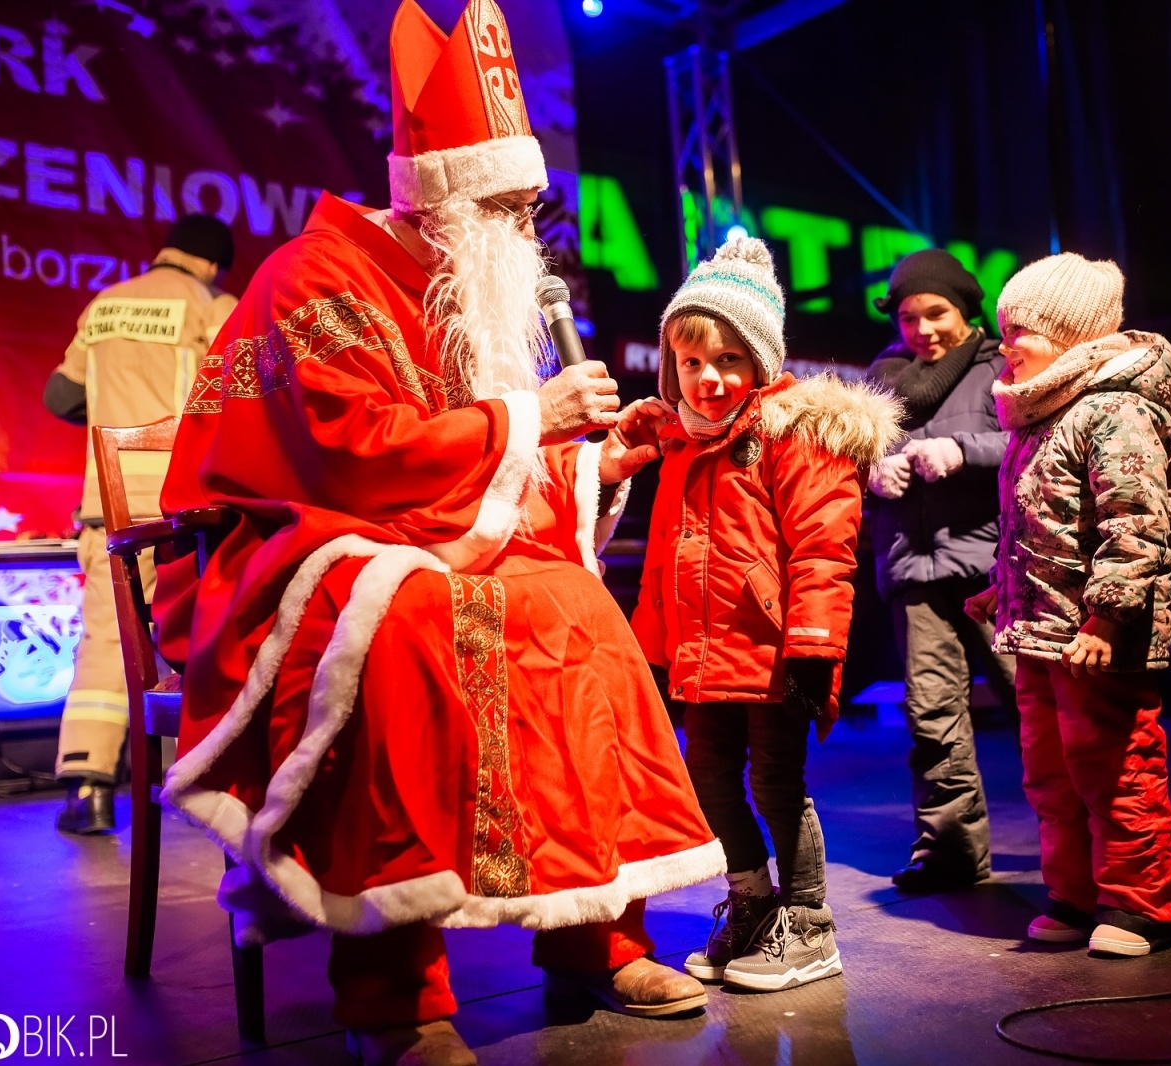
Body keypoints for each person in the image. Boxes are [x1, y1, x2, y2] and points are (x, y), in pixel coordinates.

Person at [151, 3, 724, 1063]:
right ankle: (394, 987)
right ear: (446, 199)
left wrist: (591, 459)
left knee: (575, 609)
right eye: (505, 208)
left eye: (527, 207)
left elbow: (488, 470)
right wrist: (526, 418)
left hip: (432, 532)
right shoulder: (311, 275)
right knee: (409, 629)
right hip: (305, 535)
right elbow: (349, 447)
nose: (524, 231)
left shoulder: (467, 294)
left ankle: (596, 930)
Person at [630, 236, 902, 992]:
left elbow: (823, 550)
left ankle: (810, 925)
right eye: (691, 363)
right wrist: (652, 653)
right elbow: (665, 565)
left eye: (726, 361)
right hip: (700, 656)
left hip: (772, 652)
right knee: (709, 777)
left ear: (760, 360)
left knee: (776, 782)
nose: (708, 379)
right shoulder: (684, 446)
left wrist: (815, 646)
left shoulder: (794, 434)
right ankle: (751, 900)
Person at [964, 252, 1171, 957]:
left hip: (1098, 636)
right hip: (1043, 631)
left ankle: (1142, 906)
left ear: (1073, 337)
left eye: (1021, 331)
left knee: (1114, 766)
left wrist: (1108, 615)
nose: (1006, 346)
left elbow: (1137, 523)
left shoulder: (1116, 410)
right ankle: (1074, 894)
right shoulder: (1042, 417)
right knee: (1050, 773)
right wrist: (1002, 590)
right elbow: (1042, 528)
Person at [44, 213, 237, 835]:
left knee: (106, 638)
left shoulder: (105, 304)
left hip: (112, 510)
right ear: (211, 264)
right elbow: (239, 395)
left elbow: (60, 397)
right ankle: (206, 785)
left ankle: (87, 785)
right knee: (203, 637)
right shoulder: (213, 306)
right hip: (190, 511)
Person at [864, 249, 1017, 893]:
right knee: (932, 718)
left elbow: (1030, 441)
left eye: (937, 313)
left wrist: (962, 448)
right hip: (915, 572)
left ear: (966, 309)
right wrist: (872, 469)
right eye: (908, 317)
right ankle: (951, 852)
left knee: (1036, 703)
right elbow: (845, 459)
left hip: (994, 570)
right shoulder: (882, 379)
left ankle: (1085, 841)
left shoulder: (1001, 368)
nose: (922, 330)